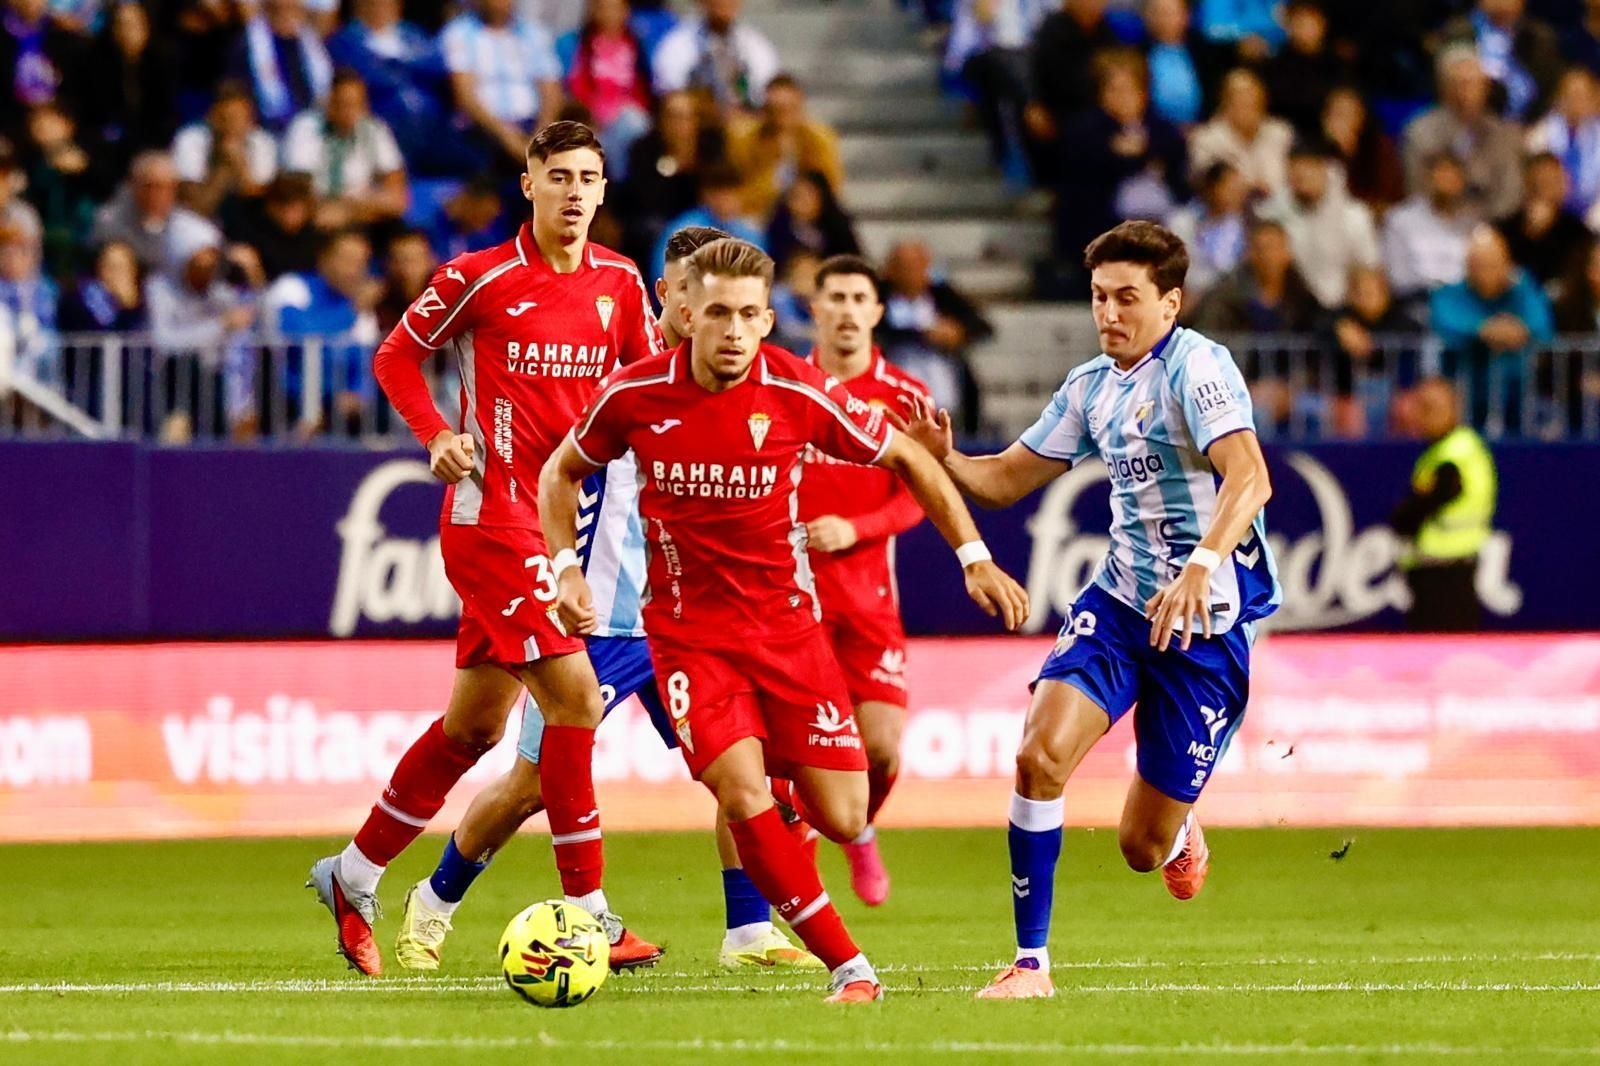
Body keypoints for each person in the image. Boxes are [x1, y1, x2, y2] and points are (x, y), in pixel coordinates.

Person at [541, 236, 1030, 1002]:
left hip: (788, 634)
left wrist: (973, 556)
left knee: (844, 813)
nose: (733, 330)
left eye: (748, 315)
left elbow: (908, 458)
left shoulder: (798, 389)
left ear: (768, 320)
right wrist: (565, 568)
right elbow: (559, 474)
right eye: (718, 314)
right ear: (686, 314)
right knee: (741, 794)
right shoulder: (635, 394)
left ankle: (784, 841)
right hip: (689, 638)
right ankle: (850, 967)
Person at [390, 224, 822, 974]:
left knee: (747, 770)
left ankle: (749, 932)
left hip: (682, 622)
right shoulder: (618, 381)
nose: (701, 311)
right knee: (530, 786)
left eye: (722, 302)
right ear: (667, 295)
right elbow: (550, 474)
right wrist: (556, 571)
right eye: (689, 294)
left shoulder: (730, 387)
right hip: (595, 620)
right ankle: (431, 904)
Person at [306, 121, 665, 977]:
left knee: (472, 730)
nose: (574, 192)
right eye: (558, 176)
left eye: (588, 178)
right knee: (575, 701)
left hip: (563, 524)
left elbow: (647, 394)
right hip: (492, 517)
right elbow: (397, 356)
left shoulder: (620, 282)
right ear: (529, 183)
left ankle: (353, 874)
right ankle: (591, 917)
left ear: (603, 191)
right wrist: (435, 434)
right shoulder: (478, 277)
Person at [898, 220, 1279, 999]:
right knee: (1038, 757)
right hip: (1120, 604)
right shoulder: (1090, 386)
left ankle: (1177, 828)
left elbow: (1250, 478)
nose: (1109, 313)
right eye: (1100, 296)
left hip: (1203, 626)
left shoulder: (1199, 368)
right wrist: (943, 459)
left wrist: (1200, 568)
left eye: (1127, 297)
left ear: (1170, 303)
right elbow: (1004, 481)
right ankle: (1030, 963)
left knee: (1141, 847)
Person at [796, 253, 931, 906]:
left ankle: (858, 831)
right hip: (793, 600)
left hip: (869, 601)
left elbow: (920, 497)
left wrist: (855, 529)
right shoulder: (788, 386)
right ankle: (794, 890)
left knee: (879, 750)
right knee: (796, 756)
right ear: (815, 309)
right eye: (836, 298)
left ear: (878, 311)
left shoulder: (905, 397)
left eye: (859, 299)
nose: (848, 310)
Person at [1389, 377, 1497, 631]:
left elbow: (1422, 505)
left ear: (1453, 408)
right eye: (1422, 407)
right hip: (1441, 566)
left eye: (1432, 408)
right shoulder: (1456, 447)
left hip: (1445, 570)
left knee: (1443, 644)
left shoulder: (1453, 456)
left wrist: (1403, 517)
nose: (1424, 415)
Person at [1429, 224, 1554, 436]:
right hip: (1465, 398)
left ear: (1508, 263)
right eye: (1479, 264)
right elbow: (1446, 325)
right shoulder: (1450, 294)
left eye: (1493, 263)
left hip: (1521, 397)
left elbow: (1543, 327)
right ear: (1467, 266)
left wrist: (1517, 330)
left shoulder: (1523, 289)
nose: (1486, 271)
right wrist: (1483, 329)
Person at [1402, 46, 1524, 221]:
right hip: (1433, 224)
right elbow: (1416, 190)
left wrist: (1487, 226)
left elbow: (1509, 193)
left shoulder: (1503, 135)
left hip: (1489, 225)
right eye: (1462, 83)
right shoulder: (1419, 131)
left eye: (1477, 83)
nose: (1470, 91)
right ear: (1445, 87)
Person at [441, 0, 563, 170]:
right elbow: (466, 97)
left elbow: (551, 91)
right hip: (482, 131)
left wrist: (540, 137)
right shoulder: (459, 33)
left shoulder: (533, 34)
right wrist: (507, 138)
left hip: (531, 126)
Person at [282, 69, 409, 231]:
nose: (350, 112)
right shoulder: (305, 127)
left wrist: (349, 210)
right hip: (319, 215)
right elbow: (299, 190)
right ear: (330, 102)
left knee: (405, 235)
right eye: (344, 104)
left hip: (361, 212)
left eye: (357, 104)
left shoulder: (375, 129)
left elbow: (397, 197)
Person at [724, 73, 843, 220]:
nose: (782, 118)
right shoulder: (743, 140)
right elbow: (733, 192)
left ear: (800, 106)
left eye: (789, 109)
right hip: (755, 217)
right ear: (765, 109)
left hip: (808, 219)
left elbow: (830, 190)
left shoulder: (820, 140)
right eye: (774, 110)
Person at [1380, 151, 1479, 304]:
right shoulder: (1400, 221)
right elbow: (1397, 279)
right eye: (1442, 173)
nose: (1447, 181)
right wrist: (1440, 290)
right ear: (1428, 177)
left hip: (1464, 303)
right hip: (1416, 304)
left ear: (1462, 181)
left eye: (1454, 175)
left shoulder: (1474, 226)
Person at [171, 80, 280, 219]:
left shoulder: (263, 142)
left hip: (248, 218)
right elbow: (193, 203)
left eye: (238, 118)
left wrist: (240, 164)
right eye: (225, 118)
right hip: (199, 218)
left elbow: (260, 198)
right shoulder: (190, 138)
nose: (231, 125)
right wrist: (222, 168)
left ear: (250, 119)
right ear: (211, 116)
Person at [650, 0, 779, 115]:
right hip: (697, 122)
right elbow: (672, 97)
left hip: (746, 122)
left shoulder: (755, 44)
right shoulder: (676, 44)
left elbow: (766, 90)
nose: (724, 2)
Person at [226, 0, 333, 133]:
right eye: (280, 6)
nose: (286, 7)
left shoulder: (313, 46)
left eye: (292, 5)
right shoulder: (247, 45)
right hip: (265, 129)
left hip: (312, 129)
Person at [1186, 67, 1293, 198]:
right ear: (1225, 104)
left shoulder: (1281, 133)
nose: (1250, 111)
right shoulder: (1205, 139)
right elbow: (1205, 184)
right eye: (1242, 103)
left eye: (1255, 104)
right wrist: (1253, 187)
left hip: (1281, 206)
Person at [1494, 152, 1591, 287]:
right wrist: (1532, 233)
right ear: (1527, 184)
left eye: (1556, 181)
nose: (1548, 189)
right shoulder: (1505, 229)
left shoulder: (1578, 232)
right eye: (1542, 182)